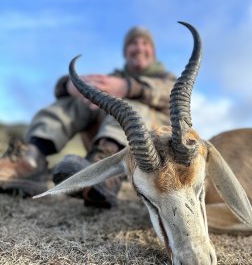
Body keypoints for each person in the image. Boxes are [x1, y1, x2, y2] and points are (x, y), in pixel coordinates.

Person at [0, 26, 176, 208]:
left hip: (147, 150)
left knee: (127, 108)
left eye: (145, 43)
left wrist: (128, 87)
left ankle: (106, 171)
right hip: (102, 135)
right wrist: (71, 86)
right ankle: (30, 159)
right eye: (133, 43)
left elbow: (170, 93)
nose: (139, 47)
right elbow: (62, 89)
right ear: (125, 52)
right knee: (78, 103)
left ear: (153, 52)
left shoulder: (166, 78)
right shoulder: (110, 78)